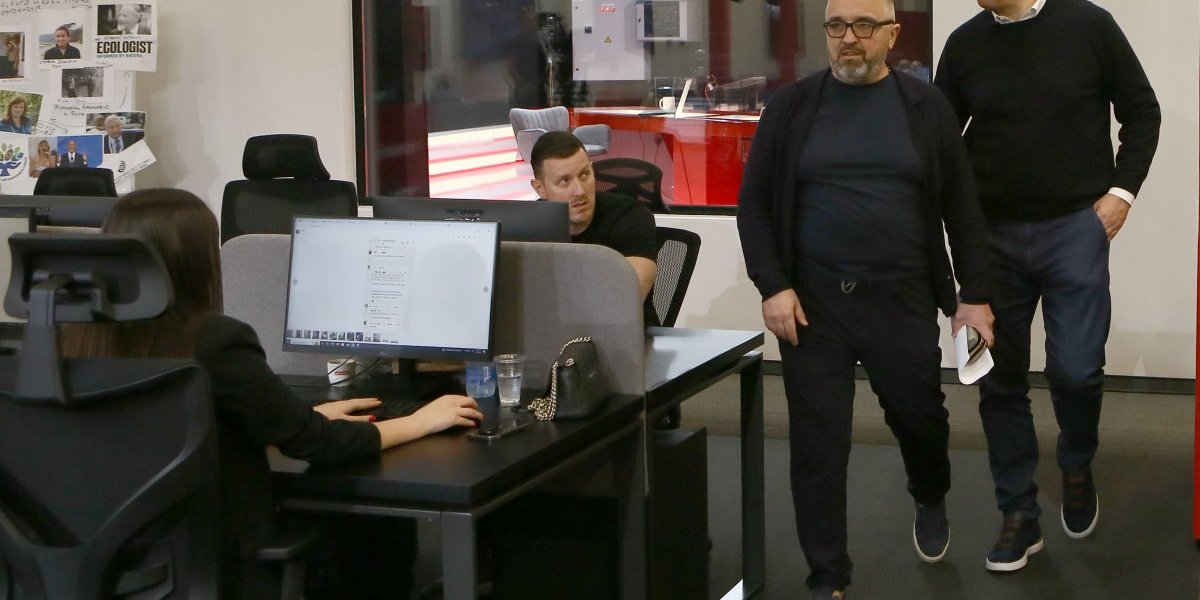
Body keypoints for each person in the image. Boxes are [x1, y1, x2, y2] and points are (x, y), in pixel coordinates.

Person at [61, 188, 484, 598]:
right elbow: (317, 445)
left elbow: (157, 436)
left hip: (106, 566)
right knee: (368, 539)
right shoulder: (215, 340)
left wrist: (299, 417)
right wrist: (418, 421)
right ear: (196, 262)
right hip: (214, 561)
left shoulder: (73, 341)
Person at [736, 0, 993, 596]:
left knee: (920, 421)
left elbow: (962, 208)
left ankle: (929, 492)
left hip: (901, 298)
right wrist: (773, 285)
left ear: (892, 35)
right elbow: (754, 205)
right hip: (813, 305)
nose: (848, 37)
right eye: (836, 26)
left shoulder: (926, 107)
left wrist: (974, 296)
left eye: (863, 26)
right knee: (818, 444)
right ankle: (827, 575)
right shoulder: (792, 107)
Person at [934, 0, 1161, 573]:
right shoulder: (964, 44)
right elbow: (940, 142)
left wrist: (1121, 193)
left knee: (1077, 370)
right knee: (998, 378)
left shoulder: (1089, 25)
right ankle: (1018, 513)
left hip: (1074, 229)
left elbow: (1142, 111)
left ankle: (1076, 464)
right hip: (991, 238)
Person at [528, 130, 657, 304]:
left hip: (617, 322)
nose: (580, 191)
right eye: (565, 181)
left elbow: (625, 302)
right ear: (540, 189)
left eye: (584, 174)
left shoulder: (632, 216)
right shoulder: (528, 227)